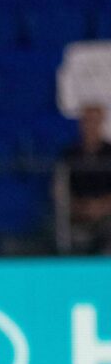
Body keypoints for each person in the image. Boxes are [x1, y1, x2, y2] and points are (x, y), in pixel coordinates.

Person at [61, 103, 111, 254]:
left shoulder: (110, 153)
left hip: (107, 214)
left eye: (94, 121)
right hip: (77, 214)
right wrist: (81, 208)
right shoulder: (69, 155)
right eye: (87, 121)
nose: (90, 126)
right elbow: (60, 191)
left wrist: (100, 207)